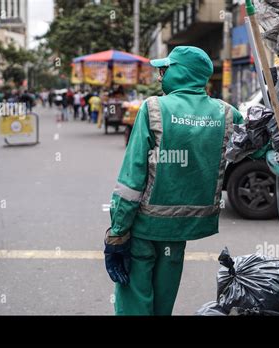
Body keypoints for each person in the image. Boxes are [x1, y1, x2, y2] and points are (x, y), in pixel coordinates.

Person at [104, 46, 244, 315]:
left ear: (182, 72)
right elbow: (260, 145)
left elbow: (132, 179)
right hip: (181, 230)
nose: (159, 77)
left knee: (134, 301)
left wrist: (118, 230)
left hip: (144, 227)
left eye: (164, 70)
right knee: (163, 303)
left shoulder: (154, 108)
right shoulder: (226, 114)